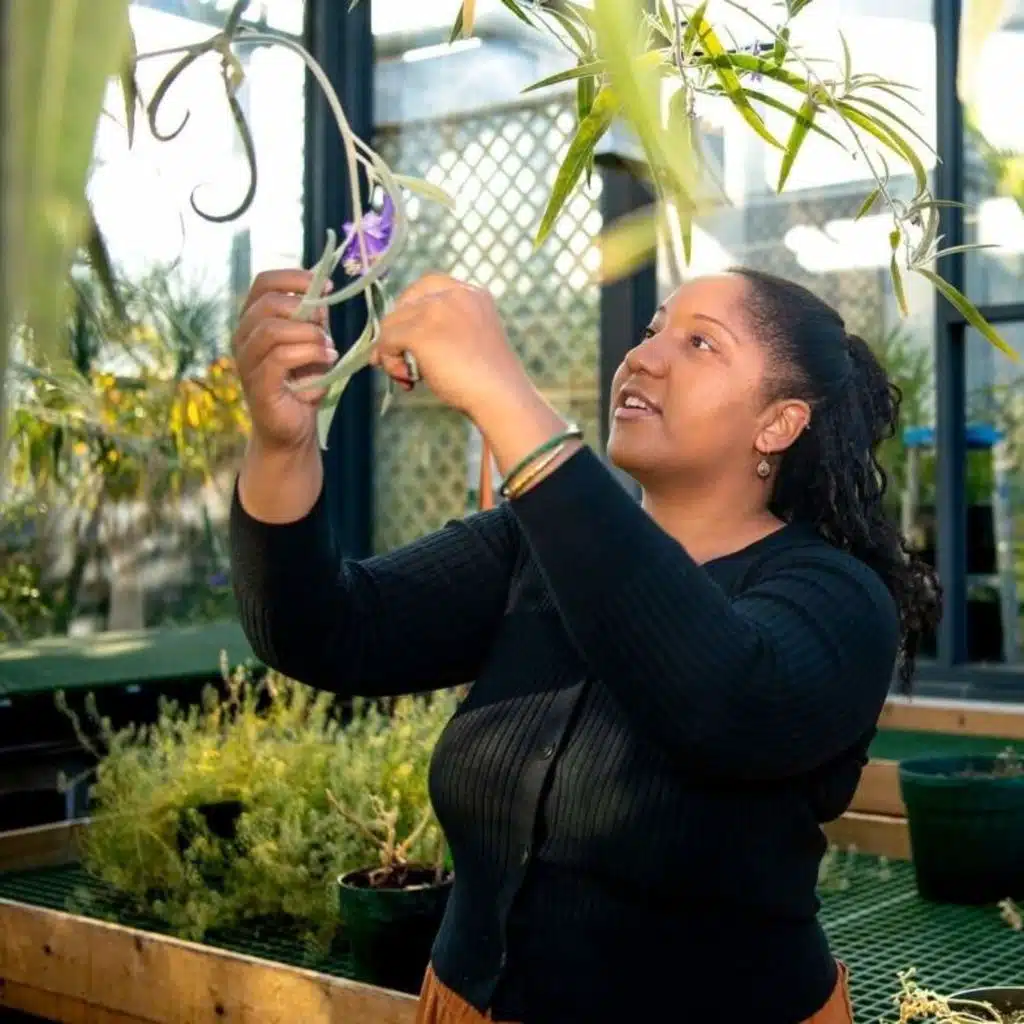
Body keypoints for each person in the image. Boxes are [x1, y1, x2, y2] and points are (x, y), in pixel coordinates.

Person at [229, 266, 941, 1023]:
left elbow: (718, 697)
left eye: (700, 343)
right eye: (651, 330)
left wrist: (507, 396)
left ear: (778, 423)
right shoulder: (529, 549)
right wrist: (282, 444)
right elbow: (323, 630)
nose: (644, 357)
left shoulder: (838, 600)